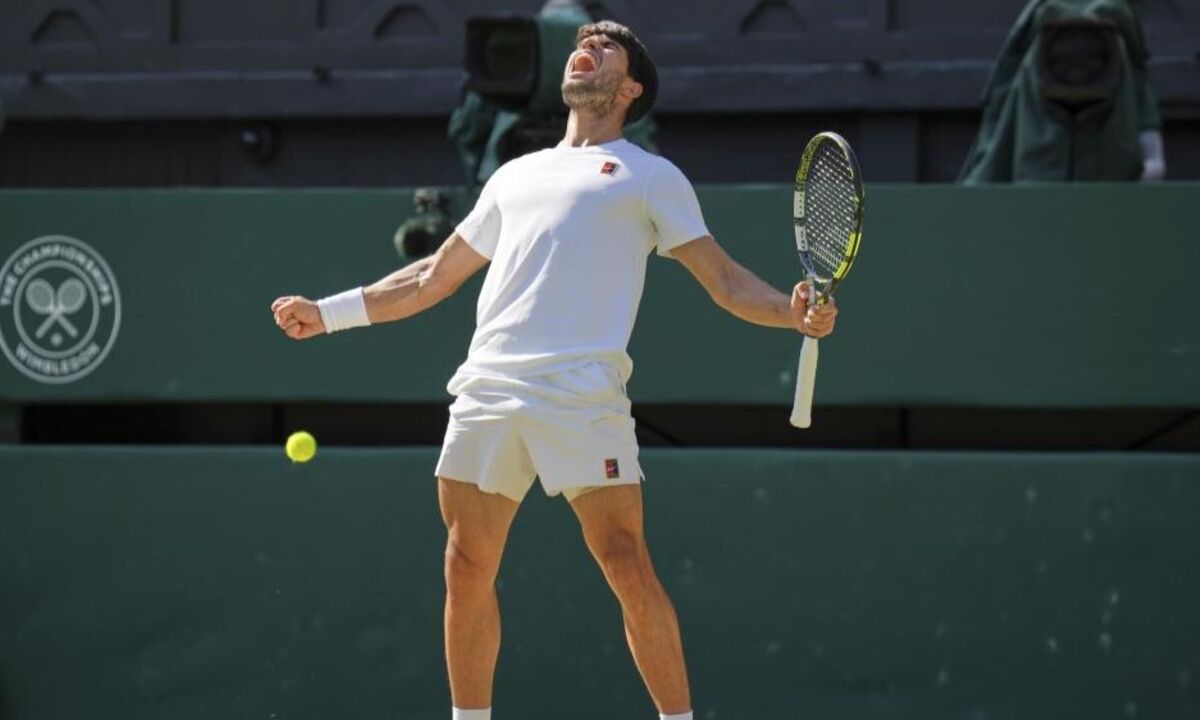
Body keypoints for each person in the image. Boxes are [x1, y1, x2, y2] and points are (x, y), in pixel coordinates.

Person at [270, 20, 838, 720]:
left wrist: (790, 312)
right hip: (488, 388)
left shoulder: (651, 177)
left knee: (625, 561)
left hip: (582, 396)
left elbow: (723, 279)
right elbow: (432, 275)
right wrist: (327, 313)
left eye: (605, 47)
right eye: (582, 44)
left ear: (629, 90)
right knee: (465, 566)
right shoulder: (513, 175)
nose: (585, 49)